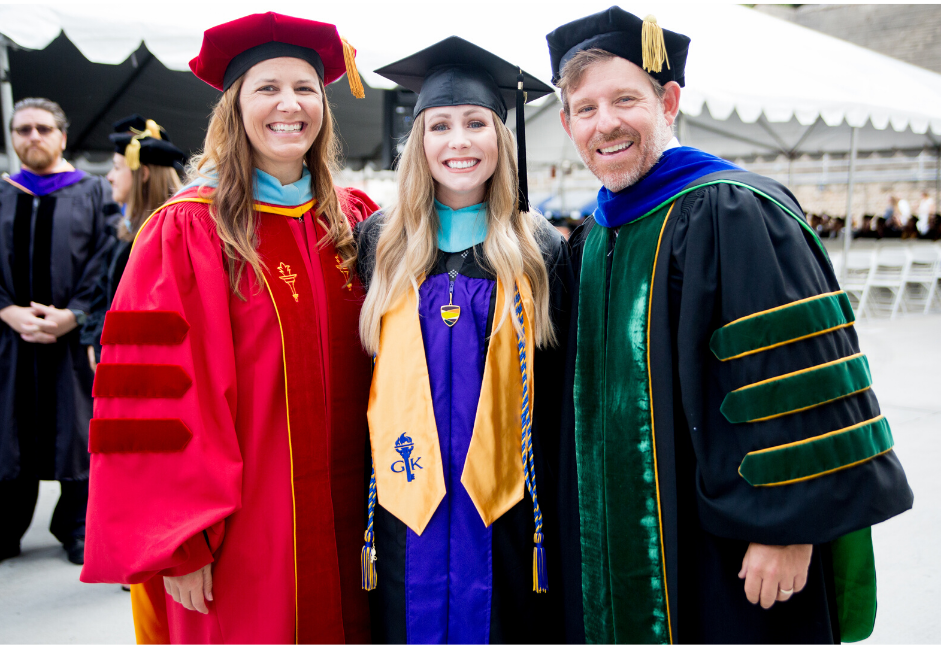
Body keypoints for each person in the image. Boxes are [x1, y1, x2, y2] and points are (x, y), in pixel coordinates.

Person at [547, 7, 914, 643]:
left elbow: (795, 377)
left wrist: (790, 526)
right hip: (618, 551)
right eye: (585, 108)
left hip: (729, 550)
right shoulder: (594, 240)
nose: (605, 124)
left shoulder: (734, 210)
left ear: (669, 100)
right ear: (567, 122)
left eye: (625, 99)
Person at [80, 13, 379, 644]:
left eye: (304, 88)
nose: (289, 104)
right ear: (234, 106)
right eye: (266, 87)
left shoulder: (354, 220)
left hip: (359, 523)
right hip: (242, 533)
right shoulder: (188, 230)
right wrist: (181, 541)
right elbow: (151, 398)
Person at [356, 37, 573, 643]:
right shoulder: (381, 243)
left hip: (504, 505)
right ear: (418, 142)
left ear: (501, 140)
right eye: (440, 125)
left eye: (476, 123)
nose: (458, 141)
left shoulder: (540, 249)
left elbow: (557, 386)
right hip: (406, 504)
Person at [0, 97, 113, 570]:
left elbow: (107, 259)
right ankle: (0, 529)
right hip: (7, 337)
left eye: (41, 128)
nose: (31, 137)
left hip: (71, 341)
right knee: (3, 432)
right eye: (22, 130)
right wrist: (7, 311)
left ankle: (77, 529)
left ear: (61, 135)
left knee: (77, 433)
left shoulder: (96, 192)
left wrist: (76, 315)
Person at [81, 114, 186, 372]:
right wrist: (95, 341)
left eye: (117, 167)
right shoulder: (125, 233)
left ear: (144, 173)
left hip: (147, 370)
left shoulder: (172, 236)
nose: (109, 176)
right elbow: (101, 297)